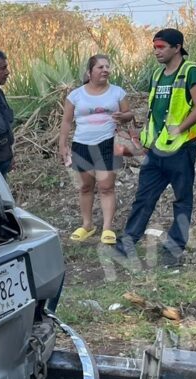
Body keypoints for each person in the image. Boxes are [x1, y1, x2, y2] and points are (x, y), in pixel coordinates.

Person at [116, 28, 196, 268]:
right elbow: (155, 112)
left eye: (161, 47)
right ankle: (127, 243)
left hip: (181, 149)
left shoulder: (190, 71)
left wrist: (180, 129)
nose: (156, 51)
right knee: (143, 198)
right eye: (154, 47)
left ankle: (174, 248)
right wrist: (143, 138)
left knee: (182, 199)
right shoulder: (157, 75)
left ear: (177, 48)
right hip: (156, 150)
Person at [58, 54, 133, 246]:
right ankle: (87, 225)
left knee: (106, 187)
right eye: (100, 67)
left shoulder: (117, 92)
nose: (105, 70)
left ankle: (107, 228)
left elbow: (129, 114)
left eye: (107, 66)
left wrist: (123, 116)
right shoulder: (75, 95)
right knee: (85, 187)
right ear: (89, 72)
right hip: (81, 144)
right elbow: (66, 121)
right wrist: (62, 144)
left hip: (108, 143)